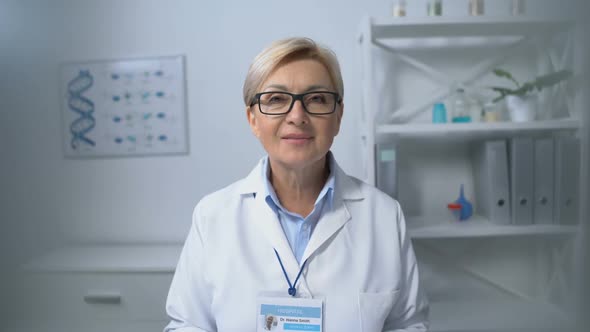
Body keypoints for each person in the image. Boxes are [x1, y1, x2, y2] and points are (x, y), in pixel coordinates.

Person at [164, 37, 429, 332]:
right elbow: (188, 325)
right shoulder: (212, 215)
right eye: (276, 99)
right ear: (253, 118)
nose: (297, 116)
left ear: (338, 116)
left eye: (316, 99)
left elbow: (408, 324)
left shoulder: (384, 215)